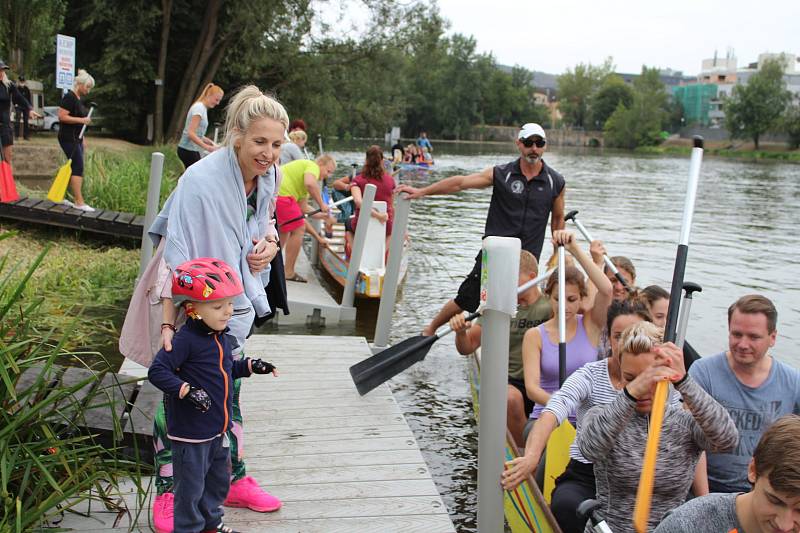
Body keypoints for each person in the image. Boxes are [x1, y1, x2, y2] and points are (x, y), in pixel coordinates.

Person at [147, 85, 287, 532]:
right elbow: (177, 254)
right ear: (238, 137)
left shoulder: (270, 175)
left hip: (232, 303)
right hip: (191, 305)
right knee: (176, 399)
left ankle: (230, 479)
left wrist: (270, 244)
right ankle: (169, 492)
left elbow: (263, 224)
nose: (268, 153)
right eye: (260, 142)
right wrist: (170, 322)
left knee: (228, 388)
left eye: (277, 144)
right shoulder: (201, 181)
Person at [397, 123, 566, 337]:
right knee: (466, 299)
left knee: (525, 303)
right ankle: (429, 330)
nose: (534, 148)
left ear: (544, 147)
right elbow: (460, 183)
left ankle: (518, 348)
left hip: (527, 258)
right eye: (528, 143)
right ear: (519, 144)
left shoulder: (556, 182)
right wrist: (422, 191)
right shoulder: (502, 174)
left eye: (539, 143)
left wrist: (557, 252)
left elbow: (558, 219)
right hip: (494, 254)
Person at [148, 258, 279, 533]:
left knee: (217, 481)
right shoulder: (185, 340)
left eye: (230, 304)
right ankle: (189, 528)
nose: (228, 312)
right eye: (219, 306)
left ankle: (211, 524)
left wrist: (251, 366)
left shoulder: (220, 336)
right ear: (193, 309)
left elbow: (226, 369)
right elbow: (158, 371)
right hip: (190, 434)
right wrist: (186, 390)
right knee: (191, 489)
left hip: (217, 430)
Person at [502, 299, 656, 533]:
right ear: (607, 338)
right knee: (566, 506)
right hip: (586, 475)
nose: (626, 345)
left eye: (634, 336)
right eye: (618, 336)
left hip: (637, 478)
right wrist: (531, 455)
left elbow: (689, 440)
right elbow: (554, 409)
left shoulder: (663, 385)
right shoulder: (590, 375)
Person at [578, 321, 738, 533]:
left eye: (650, 378)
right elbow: (590, 448)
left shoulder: (685, 424)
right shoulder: (602, 415)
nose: (642, 389)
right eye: (631, 379)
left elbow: (728, 439)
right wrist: (630, 394)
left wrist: (684, 381)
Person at [689, 294, 800, 494]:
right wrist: (703, 500)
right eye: (736, 334)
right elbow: (690, 441)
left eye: (753, 337)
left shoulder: (793, 382)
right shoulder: (703, 372)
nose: (743, 344)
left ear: (772, 337)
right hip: (708, 487)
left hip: (762, 491)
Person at [448, 250, 553, 446]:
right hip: (510, 381)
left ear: (532, 278)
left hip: (541, 382)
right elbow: (467, 347)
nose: (507, 284)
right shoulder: (497, 306)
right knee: (511, 399)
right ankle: (523, 453)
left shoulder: (550, 306)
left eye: (512, 278)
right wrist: (460, 332)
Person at [522, 230, 613, 440]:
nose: (563, 306)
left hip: (585, 420)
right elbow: (532, 389)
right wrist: (563, 405)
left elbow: (606, 290)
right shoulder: (534, 335)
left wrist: (575, 248)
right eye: (557, 298)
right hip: (545, 416)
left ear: (582, 299)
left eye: (571, 300)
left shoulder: (591, 325)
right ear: (549, 297)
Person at [654, 414, 800, 533]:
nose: (784, 525)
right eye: (774, 501)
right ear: (753, 470)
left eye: (799, 510)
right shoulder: (690, 525)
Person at [277, 155, 337, 282]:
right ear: (320, 163)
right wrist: (321, 204)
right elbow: (310, 183)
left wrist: (323, 215)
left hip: (278, 195)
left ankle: (271, 265)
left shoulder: (304, 182)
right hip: (282, 195)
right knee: (299, 228)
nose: (328, 176)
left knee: (284, 231)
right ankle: (288, 272)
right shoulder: (312, 166)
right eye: (328, 171)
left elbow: (302, 208)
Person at [57, 69, 95, 211]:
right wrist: (82, 120)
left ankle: (60, 196)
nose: (88, 90)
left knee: (74, 166)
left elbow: (80, 123)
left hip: (76, 138)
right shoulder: (69, 97)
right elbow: (61, 116)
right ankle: (79, 202)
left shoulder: (78, 99)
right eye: (87, 87)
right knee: (78, 167)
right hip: (67, 138)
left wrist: (83, 138)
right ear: (79, 85)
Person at [347, 145, 395, 252]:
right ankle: (381, 254)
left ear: (366, 160)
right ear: (382, 161)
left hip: (362, 224)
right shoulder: (391, 181)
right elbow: (391, 205)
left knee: (347, 223)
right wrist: (381, 217)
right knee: (391, 231)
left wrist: (377, 216)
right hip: (385, 224)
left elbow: (359, 202)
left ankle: (356, 253)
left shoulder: (357, 180)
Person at [177, 83, 224, 169]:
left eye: (219, 101)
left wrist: (210, 142)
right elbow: (190, 133)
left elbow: (197, 134)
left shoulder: (202, 108)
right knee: (197, 174)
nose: (218, 103)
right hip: (187, 149)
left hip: (190, 149)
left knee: (193, 176)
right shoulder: (199, 109)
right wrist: (207, 147)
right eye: (216, 100)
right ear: (209, 95)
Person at [0, 60, 37, 165]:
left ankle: (8, 181)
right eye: (0, 70)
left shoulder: (8, 85)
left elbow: (20, 98)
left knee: (8, 158)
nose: (1, 73)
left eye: (3, 70)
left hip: (5, 125)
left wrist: (30, 108)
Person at [13, 76, 32, 140]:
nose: (22, 82)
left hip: (25, 107)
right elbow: (14, 97)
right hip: (18, 106)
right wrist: (15, 104)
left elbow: (29, 98)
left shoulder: (27, 89)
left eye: (23, 81)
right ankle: (16, 136)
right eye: (21, 81)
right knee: (17, 121)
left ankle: (26, 136)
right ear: (19, 81)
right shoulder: (16, 88)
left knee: (26, 121)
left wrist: (29, 106)